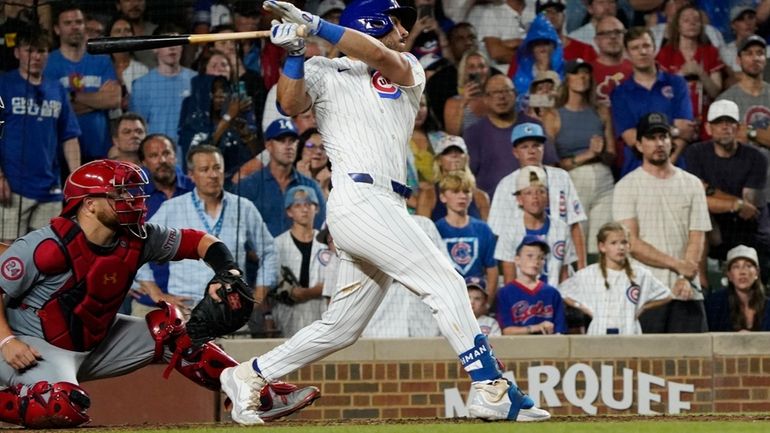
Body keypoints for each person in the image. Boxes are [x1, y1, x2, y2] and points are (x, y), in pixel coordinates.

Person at [219, 0, 550, 424]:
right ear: (374, 21)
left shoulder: (406, 66)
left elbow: (375, 54)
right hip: (358, 199)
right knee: (445, 281)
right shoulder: (322, 69)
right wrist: (296, 55)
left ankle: (249, 375)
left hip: (387, 204)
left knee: (341, 328)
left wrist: (316, 24)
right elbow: (287, 104)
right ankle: (490, 385)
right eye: (396, 22)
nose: (404, 31)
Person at [0, 159, 312, 428]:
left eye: (131, 191)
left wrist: (227, 271)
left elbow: (200, 241)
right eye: (119, 193)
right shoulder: (47, 246)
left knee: (171, 329)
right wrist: (6, 340)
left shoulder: (138, 237)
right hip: (32, 346)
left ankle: (259, 394)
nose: (131, 199)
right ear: (89, 203)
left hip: (95, 341)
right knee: (63, 406)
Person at [135, 145, 277, 314]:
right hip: (186, 309)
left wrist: (258, 295)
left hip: (232, 307)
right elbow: (137, 246)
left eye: (217, 168)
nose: (213, 175)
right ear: (191, 175)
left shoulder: (244, 207)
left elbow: (269, 251)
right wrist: (156, 293)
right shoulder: (172, 208)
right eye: (204, 169)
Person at [613, 112, 711, 333]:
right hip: (647, 295)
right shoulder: (626, 187)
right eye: (651, 138)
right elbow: (632, 244)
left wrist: (685, 277)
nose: (659, 143)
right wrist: (678, 266)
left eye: (663, 137)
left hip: (687, 291)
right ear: (639, 144)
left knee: (695, 364)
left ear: (671, 141)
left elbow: (697, 237)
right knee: (645, 365)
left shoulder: (692, 184)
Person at [0, 27, 81, 243]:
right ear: (17, 52)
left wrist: (76, 178)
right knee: (7, 250)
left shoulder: (57, 89)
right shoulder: (4, 85)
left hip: (49, 185)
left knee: (48, 250)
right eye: (30, 50)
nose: (36, 56)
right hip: (12, 185)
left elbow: (69, 137)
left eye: (42, 51)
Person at [684, 100, 770, 279]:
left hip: (748, 230)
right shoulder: (695, 153)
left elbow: (749, 209)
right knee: (697, 213)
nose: (724, 127)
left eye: (729, 122)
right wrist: (735, 204)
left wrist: (711, 193)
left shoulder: (756, 158)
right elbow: (696, 198)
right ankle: (702, 289)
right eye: (718, 123)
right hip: (713, 228)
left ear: (738, 128)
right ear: (708, 128)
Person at [488, 123, 587, 270]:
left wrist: (582, 267)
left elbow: (574, 224)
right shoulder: (506, 184)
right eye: (524, 147)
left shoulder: (561, 177)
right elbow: (498, 233)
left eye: (536, 145)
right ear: (515, 152)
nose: (531, 151)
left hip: (557, 259)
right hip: (522, 265)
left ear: (543, 148)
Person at [542, 59, 615, 257]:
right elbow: (550, 164)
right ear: (567, 78)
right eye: (576, 73)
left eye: (585, 72)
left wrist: (601, 153)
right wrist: (586, 155)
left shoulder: (600, 111)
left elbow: (612, 155)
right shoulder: (553, 115)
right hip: (574, 178)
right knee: (576, 241)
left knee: (603, 241)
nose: (582, 77)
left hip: (603, 178)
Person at [610, 26, 695, 177]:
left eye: (646, 46)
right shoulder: (620, 93)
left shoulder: (677, 83)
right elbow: (631, 139)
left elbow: (686, 132)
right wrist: (674, 130)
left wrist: (666, 168)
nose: (642, 52)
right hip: (637, 174)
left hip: (677, 171)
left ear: (655, 48)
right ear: (627, 54)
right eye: (635, 48)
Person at [560, 222, 673, 335]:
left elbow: (667, 295)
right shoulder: (589, 274)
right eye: (614, 243)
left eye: (624, 242)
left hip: (629, 332)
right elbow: (563, 291)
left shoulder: (640, 274)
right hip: (599, 333)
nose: (620, 247)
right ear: (602, 247)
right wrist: (585, 307)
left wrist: (642, 307)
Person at [45, 2, 121, 162]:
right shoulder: (48, 62)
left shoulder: (102, 60)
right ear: (57, 29)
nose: (74, 27)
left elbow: (113, 99)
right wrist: (97, 100)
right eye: (68, 23)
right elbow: (53, 107)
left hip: (100, 150)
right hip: (60, 151)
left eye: (78, 22)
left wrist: (72, 97)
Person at [129, 134, 195, 316]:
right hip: (149, 302)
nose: (162, 160)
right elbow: (119, 243)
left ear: (176, 155)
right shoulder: (134, 197)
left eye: (167, 153)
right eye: (154, 156)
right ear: (143, 162)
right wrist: (127, 282)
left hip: (192, 301)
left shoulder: (196, 189)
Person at [463, 74, 558, 198]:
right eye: (495, 93)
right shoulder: (473, 133)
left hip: (534, 200)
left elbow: (551, 165)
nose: (501, 97)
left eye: (506, 91)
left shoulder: (534, 126)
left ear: (515, 94)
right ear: (485, 98)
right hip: (492, 205)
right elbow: (468, 177)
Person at [236, 119, 326, 237]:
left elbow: (319, 230)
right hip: (259, 254)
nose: (289, 146)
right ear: (268, 145)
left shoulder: (311, 186)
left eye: (292, 141)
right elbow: (239, 230)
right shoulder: (247, 186)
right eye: (282, 141)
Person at [494, 165, 576, 285]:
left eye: (541, 192)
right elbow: (509, 280)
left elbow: (564, 274)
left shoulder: (561, 228)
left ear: (547, 197)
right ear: (519, 199)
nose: (535, 197)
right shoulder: (509, 231)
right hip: (522, 300)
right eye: (528, 193)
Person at [655, 3, 725, 140]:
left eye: (696, 20)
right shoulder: (666, 54)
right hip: (675, 121)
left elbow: (716, 92)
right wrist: (680, 75)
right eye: (686, 20)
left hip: (706, 123)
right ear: (677, 25)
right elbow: (659, 92)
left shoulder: (710, 52)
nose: (692, 23)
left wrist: (700, 73)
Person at [271, 186, 328, 338]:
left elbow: (334, 282)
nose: (304, 209)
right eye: (298, 205)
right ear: (289, 211)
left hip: (321, 313)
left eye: (308, 204)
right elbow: (272, 283)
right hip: (287, 314)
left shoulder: (327, 243)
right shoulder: (277, 244)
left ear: (316, 208)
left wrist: (309, 292)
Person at [129, 23, 197, 150]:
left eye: (176, 42)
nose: (172, 48)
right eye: (166, 43)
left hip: (190, 153)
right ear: (155, 48)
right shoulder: (141, 85)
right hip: (155, 155)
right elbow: (138, 127)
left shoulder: (196, 80)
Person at [435, 171, 498, 297]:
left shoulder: (483, 229)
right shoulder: (435, 230)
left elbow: (492, 269)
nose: (462, 196)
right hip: (446, 295)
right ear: (442, 197)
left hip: (477, 296)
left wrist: (487, 302)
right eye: (455, 191)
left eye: (466, 191)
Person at [495, 235, 568, 335]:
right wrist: (535, 328)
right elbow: (506, 331)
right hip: (516, 347)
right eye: (530, 256)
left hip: (548, 347)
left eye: (541, 257)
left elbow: (560, 331)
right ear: (517, 260)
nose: (535, 261)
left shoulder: (552, 293)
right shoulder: (505, 293)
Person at [416, 134, 490, 221]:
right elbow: (422, 229)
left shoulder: (480, 197)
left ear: (466, 158)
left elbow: (488, 232)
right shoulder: (428, 195)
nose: (454, 155)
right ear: (439, 160)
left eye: (459, 151)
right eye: (447, 152)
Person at [705, 244, 770, 332]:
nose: (742, 272)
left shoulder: (767, 304)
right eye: (736, 267)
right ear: (729, 275)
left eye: (748, 266)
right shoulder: (715, 303)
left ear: (757, 272)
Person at [107, 17, 149, 114]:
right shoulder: (101, 67)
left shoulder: (142, 70)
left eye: (127, 30)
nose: (123, 34)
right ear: (109, 37)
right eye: (118, 31)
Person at [591, 16, 633, 107]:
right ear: (596, 40)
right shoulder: (587, 72)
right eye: (606, 33)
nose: (613, 37)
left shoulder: (638, 69)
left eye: (618, 32)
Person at [115, 0, 158, 68]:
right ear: (118, 5)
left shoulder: (158, 33)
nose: (135, 4)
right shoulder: (112, 36)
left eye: (139, 0)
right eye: (128, 0)